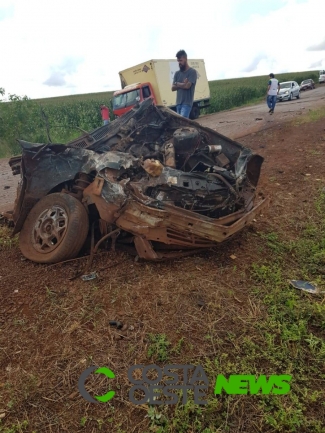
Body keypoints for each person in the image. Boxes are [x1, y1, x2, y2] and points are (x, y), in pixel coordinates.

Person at [172, 50, 197, 118]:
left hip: (187, 103)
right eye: (178, 61)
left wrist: (177, 84)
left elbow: (187, 86)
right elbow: (172, 88)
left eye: (180, 60)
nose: (179, 63)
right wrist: (182, 84)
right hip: (178, 103)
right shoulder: (177, 73)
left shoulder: (192, 72)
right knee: (179, 124)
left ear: (185, 59)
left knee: (183, 123)